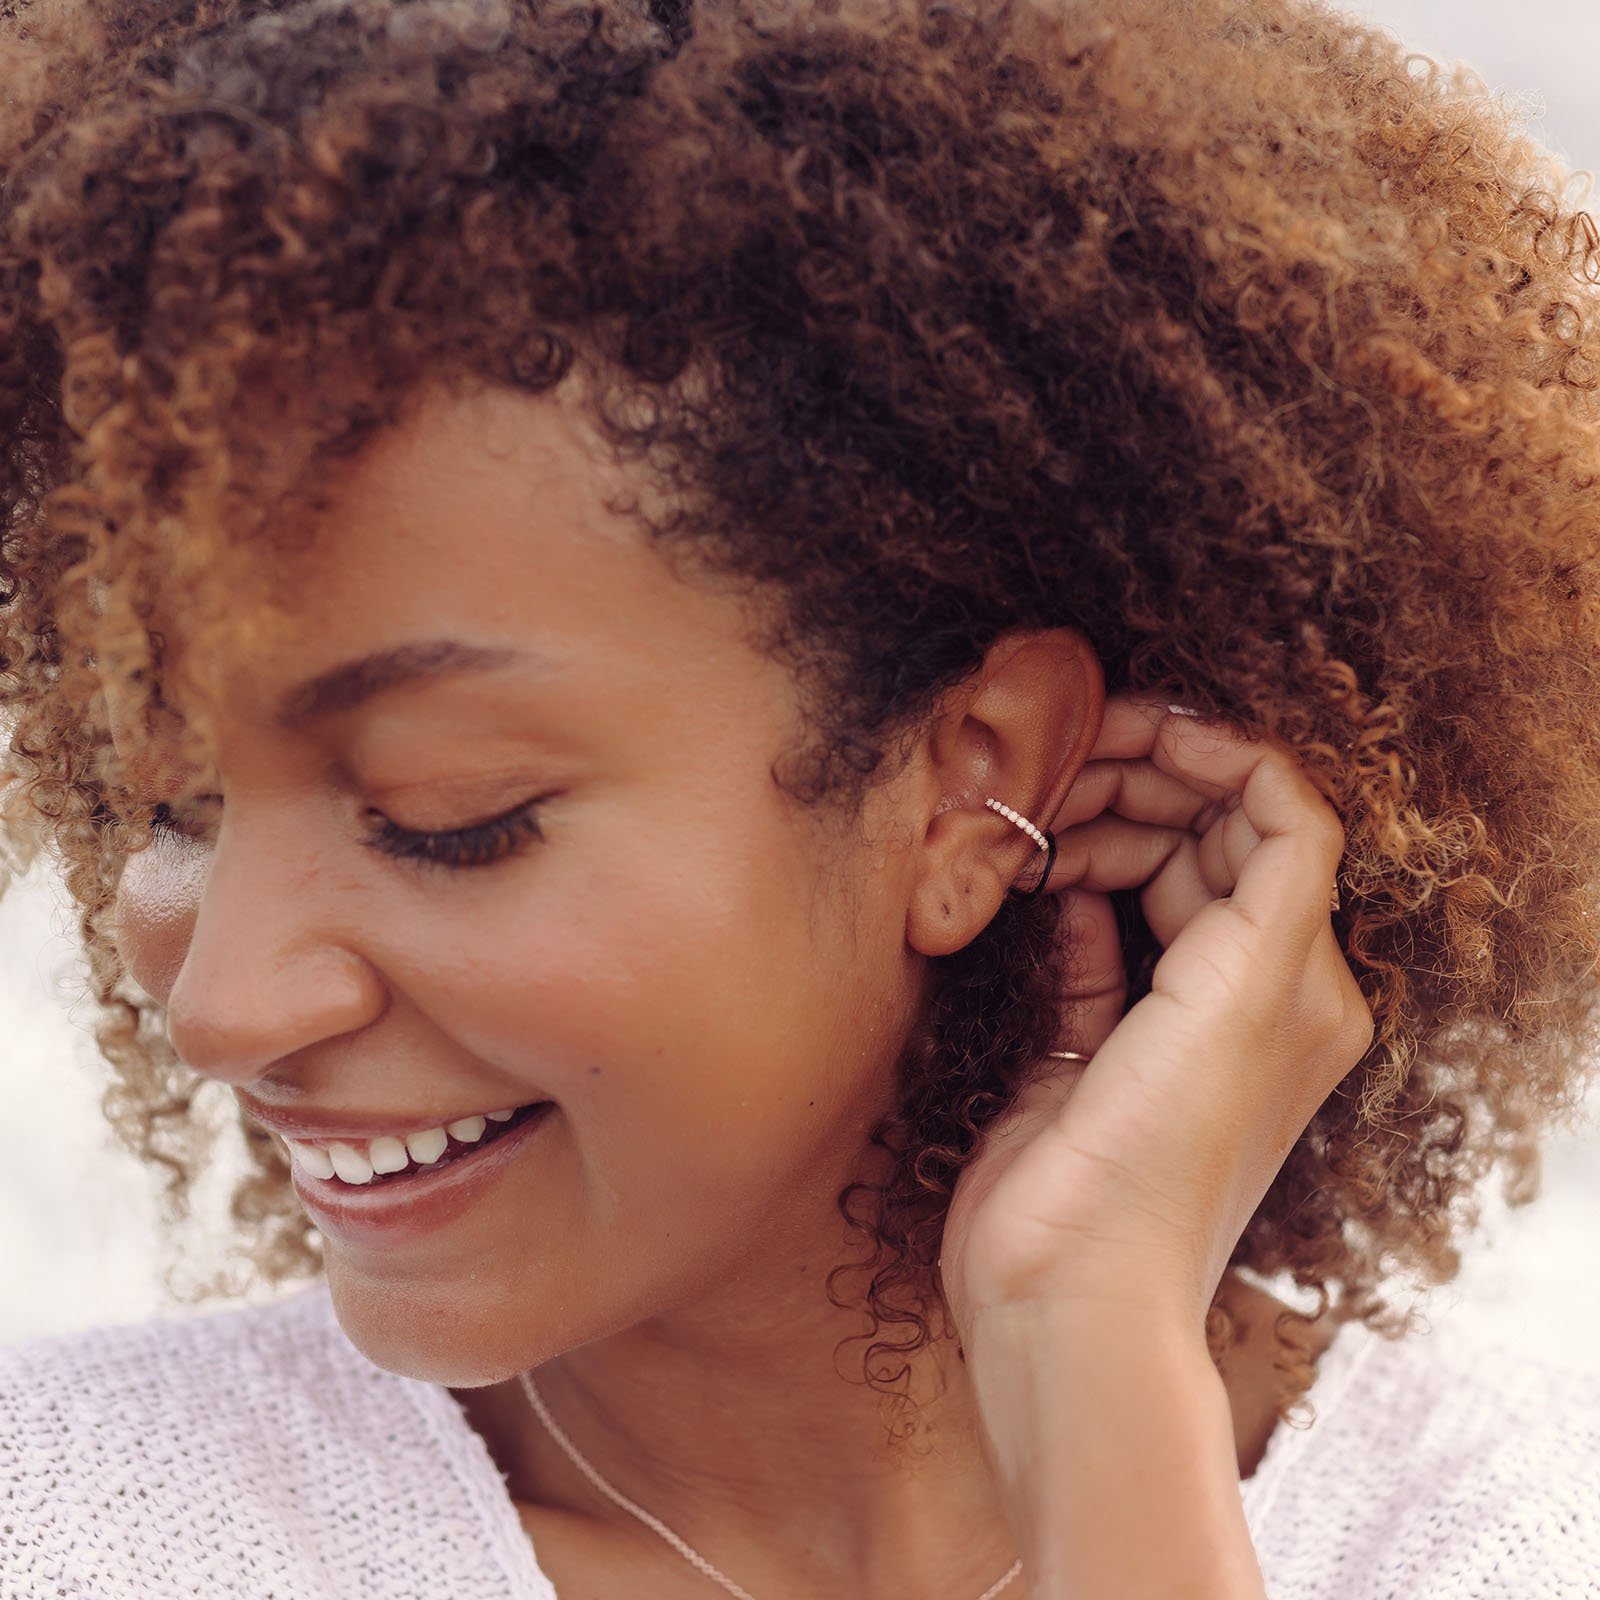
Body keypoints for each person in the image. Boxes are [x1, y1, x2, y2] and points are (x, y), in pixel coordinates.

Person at [2, 0, 1598, 1594]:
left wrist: (1093, 1355)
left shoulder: (1519, 1536)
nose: (219, 1007)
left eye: (448, 814)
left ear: (973, 781)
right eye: (170, 810)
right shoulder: (72, 1524)